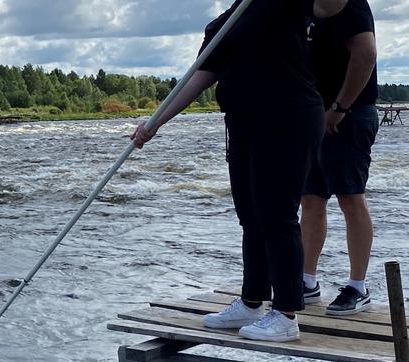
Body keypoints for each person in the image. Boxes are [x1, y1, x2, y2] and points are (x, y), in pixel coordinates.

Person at [130, 0, 323, 342]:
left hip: (288, 118)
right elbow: (199, 77)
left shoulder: (283, 5)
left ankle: (287, 314)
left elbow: (330, 6)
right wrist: (155, 122)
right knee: (250, 216)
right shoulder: (223, 23)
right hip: (243, 124)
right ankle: (252, 302)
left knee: (277, 215)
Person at [300, 0, 379, 316]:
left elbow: (366, 54)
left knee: (350, 197)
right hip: (312, 116)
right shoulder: (304, 7)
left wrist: (340, 108)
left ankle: (358, 287)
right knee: (311, 198)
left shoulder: (351, 4)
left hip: (350, 115)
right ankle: (306, 281)